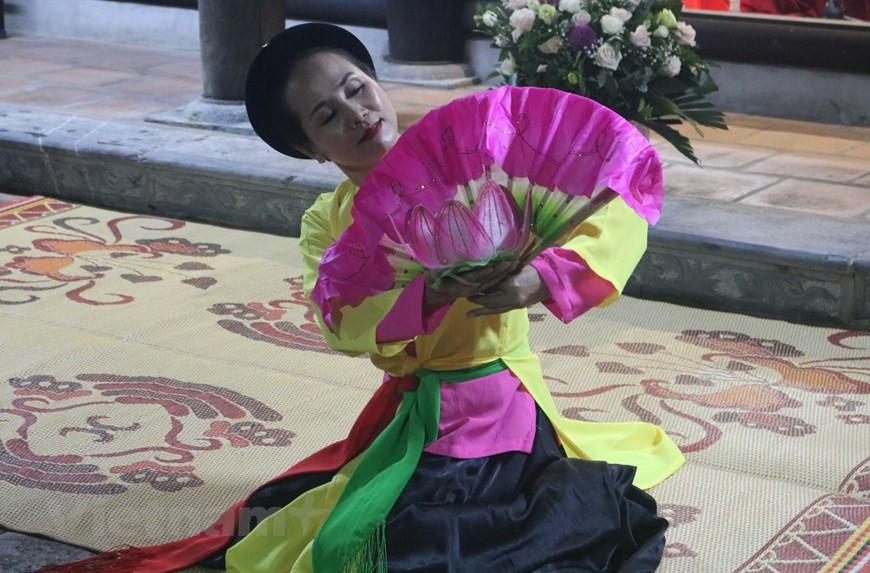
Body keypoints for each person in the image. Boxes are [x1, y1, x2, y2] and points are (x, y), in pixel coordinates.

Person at [40, 23, 684, 573]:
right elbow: (340, 320)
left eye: (356, 89)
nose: (356, 114)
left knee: (454, 539)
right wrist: (426, 294)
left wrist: (542, 276)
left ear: (375, 81)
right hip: (418, 404)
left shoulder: (480, 153)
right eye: (327, 117)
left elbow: (615, 203)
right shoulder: (329, 223)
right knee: (347, 541)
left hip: (502, 397)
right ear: (306, 147)